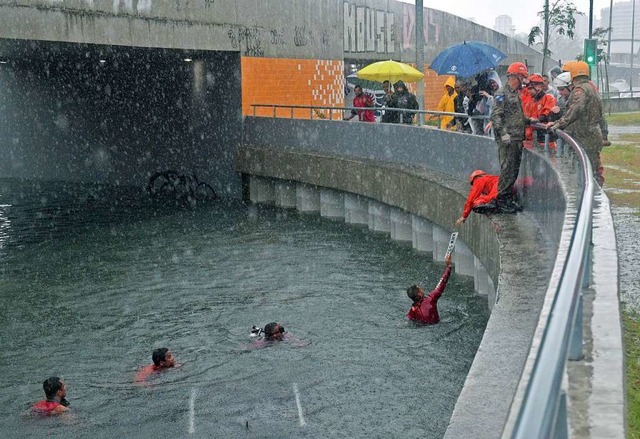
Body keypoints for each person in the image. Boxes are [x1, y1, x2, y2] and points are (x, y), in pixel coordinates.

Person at [547, 61, 605, 186]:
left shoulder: (580, 89)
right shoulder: (591, 87)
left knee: (588, 171)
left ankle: (592, 196)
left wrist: (558, 124)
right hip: (591, 134)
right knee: (591, 169)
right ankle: (594, 191)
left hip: (585, 136)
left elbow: (575, 110)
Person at [488, 61, 533, 214]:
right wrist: (503, 134)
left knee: (513, 170)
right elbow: (496, 115)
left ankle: (506, 198)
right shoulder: (502, 93)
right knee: (507, 170)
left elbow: (515, 116)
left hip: (516, 138)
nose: (523, 80)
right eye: (522, 76)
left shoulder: (515, 94)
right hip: (508, 140)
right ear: (515, 76)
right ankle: (501, 199)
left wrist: (529, 120)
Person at [406, 254, 452, 324]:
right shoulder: (431, 299)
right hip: (437, 327)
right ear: (418, 293)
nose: (422, 289)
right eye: (420, 288)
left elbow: (408, 319)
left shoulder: (413, 309)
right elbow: (442, 283)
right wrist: (448, 266)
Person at [524, 73, 557, 149]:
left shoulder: (548, 98)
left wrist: (536, 120)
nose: (529, 91)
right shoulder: (531, 102)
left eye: (530, 89)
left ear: (539, 87)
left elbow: (546, 115)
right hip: (534, 140)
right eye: (528, 89)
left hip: (547, 139)